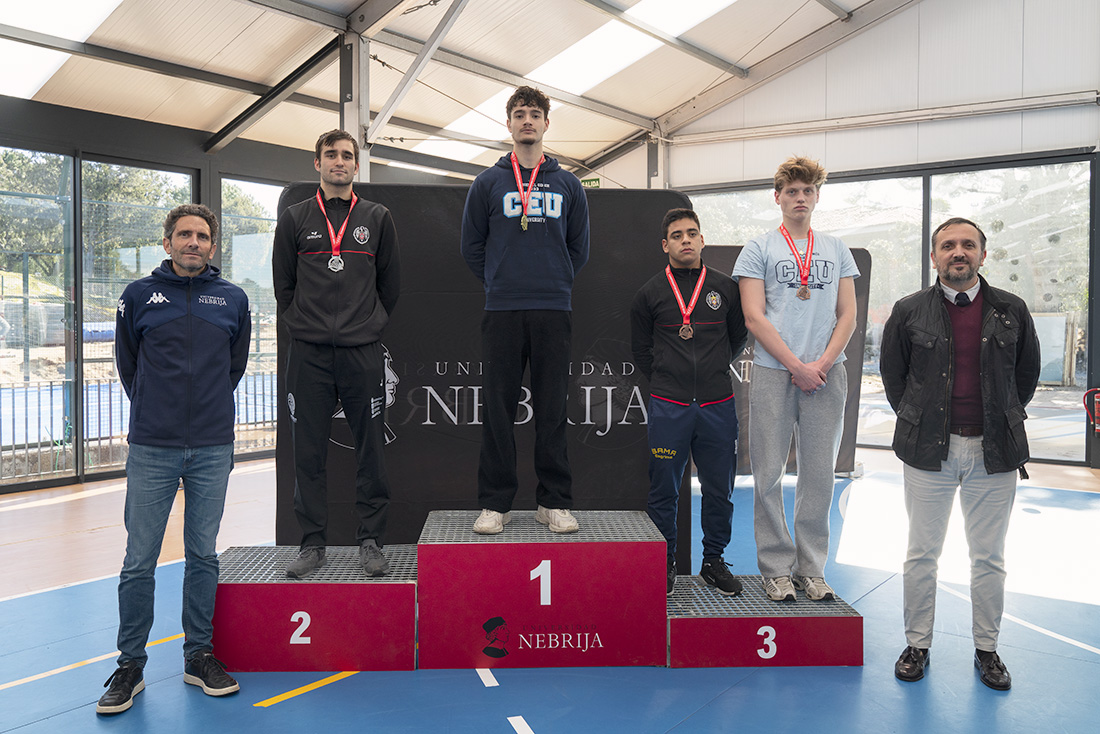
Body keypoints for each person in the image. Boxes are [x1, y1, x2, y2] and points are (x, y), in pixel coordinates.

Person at [99, 204, 250, 714]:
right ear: (167, 243)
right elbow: (128, 364)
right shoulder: (138, 296)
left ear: (213, 245)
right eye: (184, 234)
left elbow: (233, 367)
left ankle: (198, 655)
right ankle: (130, 666)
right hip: (152, 446)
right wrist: (155, 409)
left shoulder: (233, 299)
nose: (193, 243)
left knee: (203, 555)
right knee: (138, 559)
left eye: (202, 236)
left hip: (212, 445)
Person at [881, 217, 1039, 691]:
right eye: (948, 245)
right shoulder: (909, 310)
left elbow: (1026, 376)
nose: (958, 252)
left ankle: (987, 650)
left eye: (968, 244)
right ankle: (917, 645)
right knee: (921, 554)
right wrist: (922, 421)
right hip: (929, 451)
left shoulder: (1011, 309)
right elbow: (894, 377)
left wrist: (999, 418)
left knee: (989, 557)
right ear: (934, 257)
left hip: (995, 452)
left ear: (982, 255)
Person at [460, 86, 590, 535]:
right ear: (509, 123)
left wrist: (554, 278)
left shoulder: (569, 184)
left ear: (546, 123)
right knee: (498, 410)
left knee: (552, 409)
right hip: (503, 309)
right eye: (520, 114)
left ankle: (553, 502)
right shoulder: (487, 182)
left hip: (554, 307)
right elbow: (472, 247)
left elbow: (579, 248)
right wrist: (500, 280)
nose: (527, 120)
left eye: (535, 114)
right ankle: (495, 504)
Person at [273, 129, 401, 578]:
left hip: (361, 353)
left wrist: (368, 325)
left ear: (356, 165)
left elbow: (391, 286)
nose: (339, 161)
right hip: (308, 356)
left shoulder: (377, 217)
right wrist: (304, 325)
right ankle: (312, 544)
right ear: (318, 163)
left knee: (371, 451)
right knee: (308, 454)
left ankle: (370, 541)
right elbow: (283, 286)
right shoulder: (295, 218)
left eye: (347, 155)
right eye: (331, 155)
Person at [732, 156, 859, 602]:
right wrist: (796, 366)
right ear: (778, 197)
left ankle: (811, 568)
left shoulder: (836, 249)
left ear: (817, 197)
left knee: (819, 475)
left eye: (807, 191)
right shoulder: (759, 248)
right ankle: (775, 568)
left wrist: (820, 364)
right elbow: (754, 316)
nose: (800, 198)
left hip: (827, 374)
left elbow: (848, 314)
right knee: (768, 474)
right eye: (792, 191)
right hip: (774, 372)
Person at [631, 208, 747, 596]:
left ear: (702, 240)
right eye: (677, 235)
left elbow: (737, 339)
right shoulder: (649, 293)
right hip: (670, 406)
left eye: (692, 233)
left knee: (719, 489)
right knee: (664, 490)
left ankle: (713, 561)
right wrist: (670, 379)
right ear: (665, 245)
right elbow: (641, 351)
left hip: (717, 405)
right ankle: (665, 562)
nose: (686, 240)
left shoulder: (726, 288)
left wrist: (712, 371)